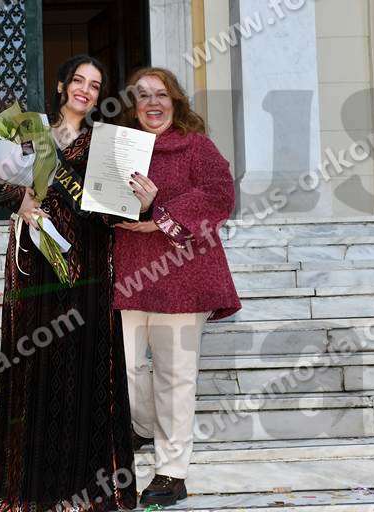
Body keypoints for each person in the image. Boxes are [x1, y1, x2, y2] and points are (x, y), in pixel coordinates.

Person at [0, 55, 137, 512]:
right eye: (78, 81)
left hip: (86, 266)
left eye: (95, 84)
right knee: (35, 369)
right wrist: (19, 198)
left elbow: (112, 213)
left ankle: (84, 491)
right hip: (35, 265)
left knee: (84, 372)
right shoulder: (28, 130)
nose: (85, 89)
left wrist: (140, 201)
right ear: (62, 85)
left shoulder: (106, 143)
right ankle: (32, 491)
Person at [113, 67, 242, 506]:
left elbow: (220, 195)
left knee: (175, 377)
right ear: (132, 105)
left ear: (175, 102)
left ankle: (172, 471)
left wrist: (160, 215)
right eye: (143, 95)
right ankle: (143, 426)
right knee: (124, 368)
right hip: (130, 275)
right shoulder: (120, 149)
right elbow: (101, 198)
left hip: (185, 275)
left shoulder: (196, 146)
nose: (153, 102)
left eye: (161, 94)